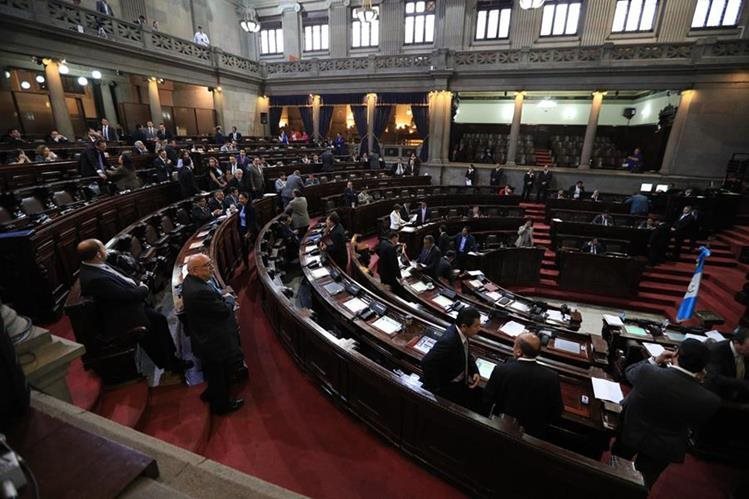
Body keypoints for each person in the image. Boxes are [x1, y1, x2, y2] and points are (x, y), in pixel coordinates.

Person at [612, 339, 721, 489]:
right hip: (664, 447)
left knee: (615, 468)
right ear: (703, 367)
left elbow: (629, 372)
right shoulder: (710, 400)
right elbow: (697, 423)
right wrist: (701, 383)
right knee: (642, 483)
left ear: (676, 354)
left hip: (630, 429)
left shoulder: (649, 372)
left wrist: (655, 360)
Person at [76, 239, 189, 376]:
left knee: (159, 320)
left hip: (127, 304)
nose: (106, 251)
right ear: (98, 254)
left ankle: (172, 359)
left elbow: (124, 277)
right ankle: (169, 363)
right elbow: (126, 295)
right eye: (103, 248)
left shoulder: (97, 264)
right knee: (154, 326)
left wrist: (138, 282)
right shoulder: (94, 278)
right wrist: (143, 288)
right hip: (122, 315)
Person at [181, 254, 244, 415]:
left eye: (210, 264)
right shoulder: (199, 291)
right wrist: (229, 299)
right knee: (219, 373)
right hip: (212, 340)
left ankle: (211, 394)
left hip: (204, 335)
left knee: (214, 371)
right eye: (207, 266)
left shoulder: (190, 281)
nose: (212, 268)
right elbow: (223, 311)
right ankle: (222, 405)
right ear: (194, 270)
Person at [483, 332, 563, 437]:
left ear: (519, 351)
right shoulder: (552, 377)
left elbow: (487, 398)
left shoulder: (501, 369)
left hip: (500, 426)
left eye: (514, 345)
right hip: (533, 433)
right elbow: (557, 411)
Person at [421, 307, 482, 407]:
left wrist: (474, 370)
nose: (479, 329)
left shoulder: (462, 333)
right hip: (448, 388)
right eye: (476, 326)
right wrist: (437, 388)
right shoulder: (448, 341)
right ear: (464, 326)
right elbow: (426, 362)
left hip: (460, 382)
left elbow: (466, 352)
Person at [705, 327, 749, 402]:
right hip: (719, 396)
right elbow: (715, 378)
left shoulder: (745, 352)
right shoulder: (717, 351)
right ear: (736, 342)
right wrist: (744, 384)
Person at [236, 192, 256, 260]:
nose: (240, 200)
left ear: (247, 199)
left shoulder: (251, 207)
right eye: (239, 198)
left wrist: (249, 232)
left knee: (255, 246)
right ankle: (246, 264)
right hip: (242, 229)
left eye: (242, 198)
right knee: (244, 248)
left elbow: (253, 221)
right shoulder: (239, 206)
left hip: (249, 229)